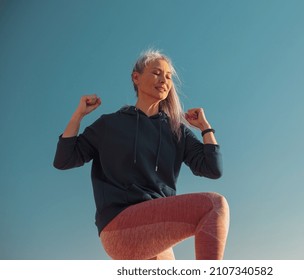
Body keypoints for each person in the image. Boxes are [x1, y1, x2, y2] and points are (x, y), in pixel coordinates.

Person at [53, 49, 229, 260]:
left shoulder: (176, 131)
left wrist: (205, 129)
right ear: (136, 78)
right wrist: (78, 115)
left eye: (168, 76)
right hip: (120, 224)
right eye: (156, 72)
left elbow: (213, 169)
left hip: (156, 230)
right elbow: (64, 160)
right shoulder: (110, 124)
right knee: (213, 206)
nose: (163, 79)